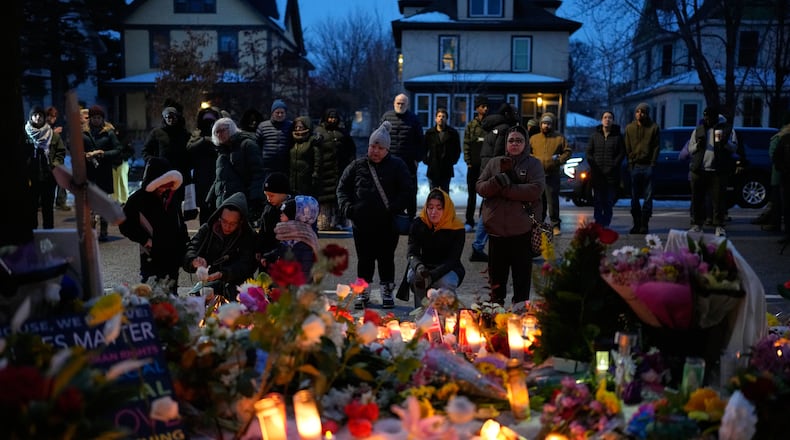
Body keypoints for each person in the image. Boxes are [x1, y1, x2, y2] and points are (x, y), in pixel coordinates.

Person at [337, 121, 413, 309]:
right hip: (361, 224)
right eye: (373, 146)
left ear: (387, 149)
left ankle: (387, 291)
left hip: (388, 223)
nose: (375, 151)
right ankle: (363, 291)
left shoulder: (397, 166)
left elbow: (407, 190)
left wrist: (395, 207)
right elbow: (342, 189)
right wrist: (348, 209)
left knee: (386, 258)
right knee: (365, 259)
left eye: (380, 147)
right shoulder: (357, 165)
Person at [476, 125, 545, 307]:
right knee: (496, 283)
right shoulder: (494, 163)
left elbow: (535, 190)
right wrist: (497, 181)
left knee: (521, 281)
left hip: (521, 233)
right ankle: (495, 313)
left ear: (526, 143)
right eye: (511, 140)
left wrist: (506, 189)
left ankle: (520, 313)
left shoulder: (534, 164)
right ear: (506, 143)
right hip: (496, 233)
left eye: (519, 140)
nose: (515, 144)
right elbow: (481, 187)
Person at [119, 157, 188, 292]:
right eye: (162, 185)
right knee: (152, 296)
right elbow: (124, 224)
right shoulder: (138, 200)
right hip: (151, 259)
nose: (165, 189)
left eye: (168, 185)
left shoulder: (171, 197)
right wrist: (145, 240)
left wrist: (184, 247)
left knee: (172, 296)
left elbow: (180, 223)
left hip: (173, 259)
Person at [397, 188, 465, 308]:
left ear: (446, 209)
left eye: (439, 208)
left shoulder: (456, 228)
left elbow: (453, 259)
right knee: (414, 276)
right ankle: (422, 313)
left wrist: (432, 276)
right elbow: (411, 253)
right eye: (430, 207)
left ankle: (448, 315)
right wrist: (419, 267)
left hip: (448, 268)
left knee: (445, 281)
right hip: (425, 267)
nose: (433, 212)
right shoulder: (418, 224)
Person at [183, 192, 258, 298]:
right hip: (210, 282)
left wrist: (223, 274)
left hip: (237, 286)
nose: (227, 227)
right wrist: (194, 261)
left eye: (233, 224)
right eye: (224, 221)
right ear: (219, 217)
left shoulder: (248, 235)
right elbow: (191, 248)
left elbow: (246, 265)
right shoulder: (208, 229)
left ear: (241, 222)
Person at [470, 102, 519, 262]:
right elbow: (499, 154)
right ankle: (479, 246)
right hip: (496, 176)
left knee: (491, 209)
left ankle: (482, 246)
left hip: (488, 171)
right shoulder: (504, 129)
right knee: (492, 210)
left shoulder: (493, 127)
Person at [687, 106, 738, 237]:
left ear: (716, 117)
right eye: (705, 116)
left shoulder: (726, 129)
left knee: (719, 200)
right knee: (697, 199)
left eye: (709, 116)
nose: (707, 119)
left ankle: (719, 226)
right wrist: (698, 145)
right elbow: (690, 149)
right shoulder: (698, 130)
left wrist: (724, 143)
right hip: (699, 170)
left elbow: (734, 148)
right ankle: (697, 224)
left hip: (718, 170)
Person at [206, 117, 266, 221]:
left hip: (242, 201)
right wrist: (210, 198)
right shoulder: (222, 151)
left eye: (222, 130)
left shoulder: (247, 145)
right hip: (225, 203)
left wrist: (255, 199)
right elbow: (219, 178)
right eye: (216, 132)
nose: (219, 134)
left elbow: (258, 173)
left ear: (231, 129)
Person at [142, 104, 193, 215]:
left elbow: (190, 153)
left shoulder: (184, 134)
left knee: (177, 205)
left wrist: (188, 165)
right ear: (164, 118)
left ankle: (178, 229)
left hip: (179, 175)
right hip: (162, 176)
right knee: (161, 205)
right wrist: (153, 162)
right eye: (167, 117)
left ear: (177, 117)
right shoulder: (156, 133)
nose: (170, 119)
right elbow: (146, 151)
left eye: (172, 117)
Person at [380, 93, 424, 218]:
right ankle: (391, 215)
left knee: (409, 190)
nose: (400, 105)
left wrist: (417, 159)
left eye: (403, 103)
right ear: (394, 103)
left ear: (407, 104)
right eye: (398, 103)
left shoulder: (414, 119)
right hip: (389, 161)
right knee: (389, 189)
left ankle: (410, 217)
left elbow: (421, 141)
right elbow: (379, 137)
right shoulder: (386, 117)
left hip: (408, 162)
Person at [529, 112, 572, 236]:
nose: (546, 125)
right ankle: (538, 225)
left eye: (548, 123)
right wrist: (532, 159)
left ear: (552, 124)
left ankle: (555, 226)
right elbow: (526, 151)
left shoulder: (559, 138)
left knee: (552, 202)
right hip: (537, 176)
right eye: (544, 123)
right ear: (540, 124)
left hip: (552, 175)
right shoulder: (534, 138)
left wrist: (559, 160)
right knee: (538, 202)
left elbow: (568, 151)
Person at [83, 105, 122, 241]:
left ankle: (103, 231)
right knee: (90, 203)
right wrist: (85, 155)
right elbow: (73, 147)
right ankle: (91, 230)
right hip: (89, 173)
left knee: (104, 202)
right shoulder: (84, 132)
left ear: (102, 119)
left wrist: (103, 154)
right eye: (94, 118)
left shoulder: (109, 132)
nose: (96, 120)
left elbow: (118, 149)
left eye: (99, 118)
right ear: (90, 119)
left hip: (104, 172)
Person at [25, 106, 66, 230]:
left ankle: (48, 234)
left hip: (49, 176)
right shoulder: (25, 134)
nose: (37, 117)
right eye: (35, 115)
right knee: (31, 207)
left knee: (48, 207)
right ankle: (32, 235)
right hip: (31, 177)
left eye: (40, 115)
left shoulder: (53, 135)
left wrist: (55, 164)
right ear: (30, 117)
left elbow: (61, 152)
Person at [315, 108, 355, 230]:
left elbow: (351, 150)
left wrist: (351, 165)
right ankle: (324, 222)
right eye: (330, 117)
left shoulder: (343, 133)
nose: (332, 120)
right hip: (324, 172)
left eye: (335, 118)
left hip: (340, 171)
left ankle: (340, 222)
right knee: (325, 200)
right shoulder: (318, 132)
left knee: (340, 198)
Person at [624, 102, 660, 234]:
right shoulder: (630, 128)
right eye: (638, 111)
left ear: (647, 113)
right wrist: (630, 161)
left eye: (643, 111)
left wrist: (652, 163)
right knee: (634, 197)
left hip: (648, 165)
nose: (640, 114)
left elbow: (656, 146)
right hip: (635, 165)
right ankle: (636, 223)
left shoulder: (654, 128)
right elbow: (627, 146)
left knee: (648, 197)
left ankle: (645, 224)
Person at [586, 111, 625, 227]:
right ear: (601, 120)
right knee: (597, 201)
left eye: (610, 117)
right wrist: (593, 164)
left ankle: (606, 224)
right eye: (605, 117)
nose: (607, 119)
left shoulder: (617, 136)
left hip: (611, 175)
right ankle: (598, 224)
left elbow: (621, 153)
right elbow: (589, 152)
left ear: (613, 120)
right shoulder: (594, 136)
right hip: (597, 175)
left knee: (608, 201)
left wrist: (613, 165)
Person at [187, 106, 221, 225]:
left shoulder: (220, 134)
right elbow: (190, 149)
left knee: (218, 212)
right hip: (202, 178)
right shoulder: (198, 134)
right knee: (205, 212)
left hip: (217, 177)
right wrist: (204, 141)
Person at [274, 195, 320, 282]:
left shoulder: (304, 241)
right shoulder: (287, 236)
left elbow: (305, 269)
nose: (280, 215)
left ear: (294, 218)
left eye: (284, 214)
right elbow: (281, 250)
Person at [256, 172, 293, 272]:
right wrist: (259, 249)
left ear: (283, 194)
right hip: (267, 254)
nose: (268, 198)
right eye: (266, 195)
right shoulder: (268, 209)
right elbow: (263, 231)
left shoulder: (292, 209)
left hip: (284, 256)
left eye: (271, 195)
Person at [462, 96, 488, 231]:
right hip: (473, 165)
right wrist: (468, 162)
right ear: (477, 108)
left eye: (486, 106)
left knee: (487, 195)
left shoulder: (490, 126)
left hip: (486, 166)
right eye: (483, 106)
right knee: (471, 195)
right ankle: (469, 221)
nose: (485, 109)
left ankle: (484, 220)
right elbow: (466, 143)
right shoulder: (471, 126)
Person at [423, 107, 461, 193]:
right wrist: (426, 160)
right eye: (439, 116)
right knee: (433, 193)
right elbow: (424, 148)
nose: (441, 118)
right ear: (435, 119)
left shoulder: (452, 133)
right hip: (433, 167)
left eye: (443, 116)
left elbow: (457, 150)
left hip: (446, 168)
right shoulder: (429, 133)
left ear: (446, 119)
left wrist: (453, 161)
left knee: (445, 195)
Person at [256, 99, 293, 181]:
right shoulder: (263, 126)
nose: (280, 115)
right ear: (272, 113)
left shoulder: (290, 126)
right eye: (277, 112)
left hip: (285, 167)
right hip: (267, 168)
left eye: (282, 113)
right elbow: (257, 145)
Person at [288, 116, 321, 197]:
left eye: (300, 127)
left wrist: (315, 176)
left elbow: (317, 161)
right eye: (296, 127)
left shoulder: (312, 141)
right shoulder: (292, 141)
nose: (298, 129)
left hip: (307, 181)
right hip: (293, 182)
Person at [47, 106, 71, 211]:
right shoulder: (45, 128)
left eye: (53, 116)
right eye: (50, 116)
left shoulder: (52, 127)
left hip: (57, 159)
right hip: (48, 159)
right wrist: (54, 133)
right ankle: (57, 202)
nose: (52, 118)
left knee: (63, 179)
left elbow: (60, 147)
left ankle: (60, 201)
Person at [772, 124, 790, 244]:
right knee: (787, 207)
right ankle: (788, 234)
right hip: (787, 178)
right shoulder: (785, 139)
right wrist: (783, 169)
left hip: (785, 177)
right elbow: (776, 156)